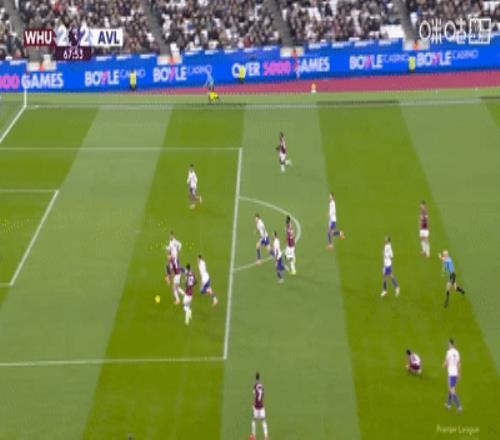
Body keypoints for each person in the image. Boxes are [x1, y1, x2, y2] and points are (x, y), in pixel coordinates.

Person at [443, 339, 462, 412]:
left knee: (452, 390)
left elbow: (446, 363)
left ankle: (459, 406)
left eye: (448, 344)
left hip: (451, 374)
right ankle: (448, 405)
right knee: (450, 389)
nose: (448, 345)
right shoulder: (457, 352)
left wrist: (444, 365)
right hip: (455, 373)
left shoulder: (448, 352)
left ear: (450, 344)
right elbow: (459, 363)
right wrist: (459, 373)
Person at [250, 372, 269, 440]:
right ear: (259, 378)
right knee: (263, 421)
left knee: (254, 420)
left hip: (256, 407)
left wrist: (253, 406)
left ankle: (254, 436)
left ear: (255, 378)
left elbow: (254, 396)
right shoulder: (262, 386)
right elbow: (263, 394)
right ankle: (266, 437)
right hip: (262, 407)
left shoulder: (255, 386)